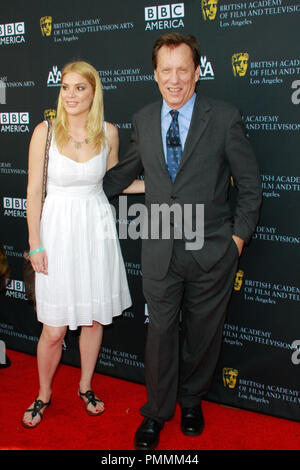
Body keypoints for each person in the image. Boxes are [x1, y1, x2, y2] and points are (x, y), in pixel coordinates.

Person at [103, 32, 262, 450]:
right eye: (166, 71)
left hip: (212, 249)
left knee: (203, 335)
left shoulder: (223, 117)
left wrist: (237, 241)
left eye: (182, 70)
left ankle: (192, 400)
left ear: (196, 71)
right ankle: (156, 411)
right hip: (159, 247)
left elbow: (249, 186)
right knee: (159, 335)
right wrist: (82, 174)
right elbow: (123, 176)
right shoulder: (142, 119)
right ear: (155, 75)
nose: (174, 80)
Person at [22, 60, 143, 429]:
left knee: (92, 319)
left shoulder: (108, 133)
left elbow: (115, 183)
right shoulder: (45, 132)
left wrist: (164, 185)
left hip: (95, 230)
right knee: (54, 329)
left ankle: (85, 385)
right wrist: (35, 244)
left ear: (94, 93)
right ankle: (43, 393)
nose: (71, 94)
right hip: (56, 233)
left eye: (80, 88)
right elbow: (33, 191)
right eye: (65, 87)